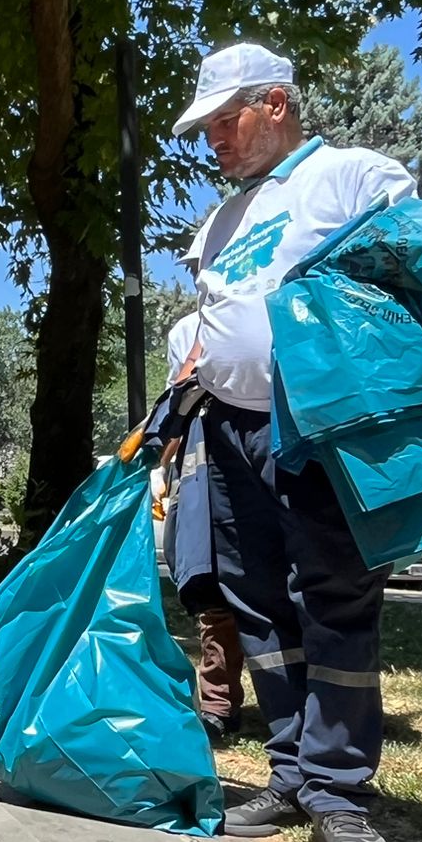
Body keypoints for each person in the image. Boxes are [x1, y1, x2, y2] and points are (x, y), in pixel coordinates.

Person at [173, 41, 414, 842]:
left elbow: (405, 270)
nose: (215, 141)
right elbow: (219, 312)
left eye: (226, 121)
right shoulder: (223, 219)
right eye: (205, 129)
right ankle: (288, 771)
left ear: (275, 103)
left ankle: (340, 794)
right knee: (259, 607)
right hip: (229, 427)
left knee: (335, 599)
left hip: (315, 423)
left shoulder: (349, 176)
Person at [162, 309, 246, 745]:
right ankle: (218, 704)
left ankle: (292, 709)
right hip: (206, 475)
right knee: (214, 593)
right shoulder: (187, 332)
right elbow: (178, 401)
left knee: (262, 598)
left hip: (252, 465)